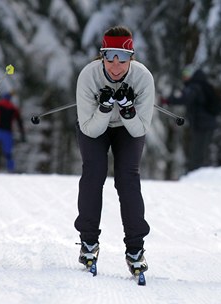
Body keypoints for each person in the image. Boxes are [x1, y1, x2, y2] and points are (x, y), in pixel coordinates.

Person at [74, 25, 155, 276]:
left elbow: (139, 129)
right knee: (93, 174)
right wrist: (105, 108)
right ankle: (88, 241)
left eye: (122, 58)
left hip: (128, 130)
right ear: (102, 56)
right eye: (109, 56)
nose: (116, 65)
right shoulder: (89, 76)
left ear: (132, 57)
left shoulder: (143, 78)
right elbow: (90, 130)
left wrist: (128, 110)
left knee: (128, 179)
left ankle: (135, 248)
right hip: (94, 127)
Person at [164, 66, 221, 172]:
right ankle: (198, 172)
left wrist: (168, 100)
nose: (184, 77)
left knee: (197, 152)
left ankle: (195, 173)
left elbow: (185, 98)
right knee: (202, 151)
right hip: (207, 123)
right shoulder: (202, 84)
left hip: (202, 124)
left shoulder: (194, 86)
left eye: (186, 74)